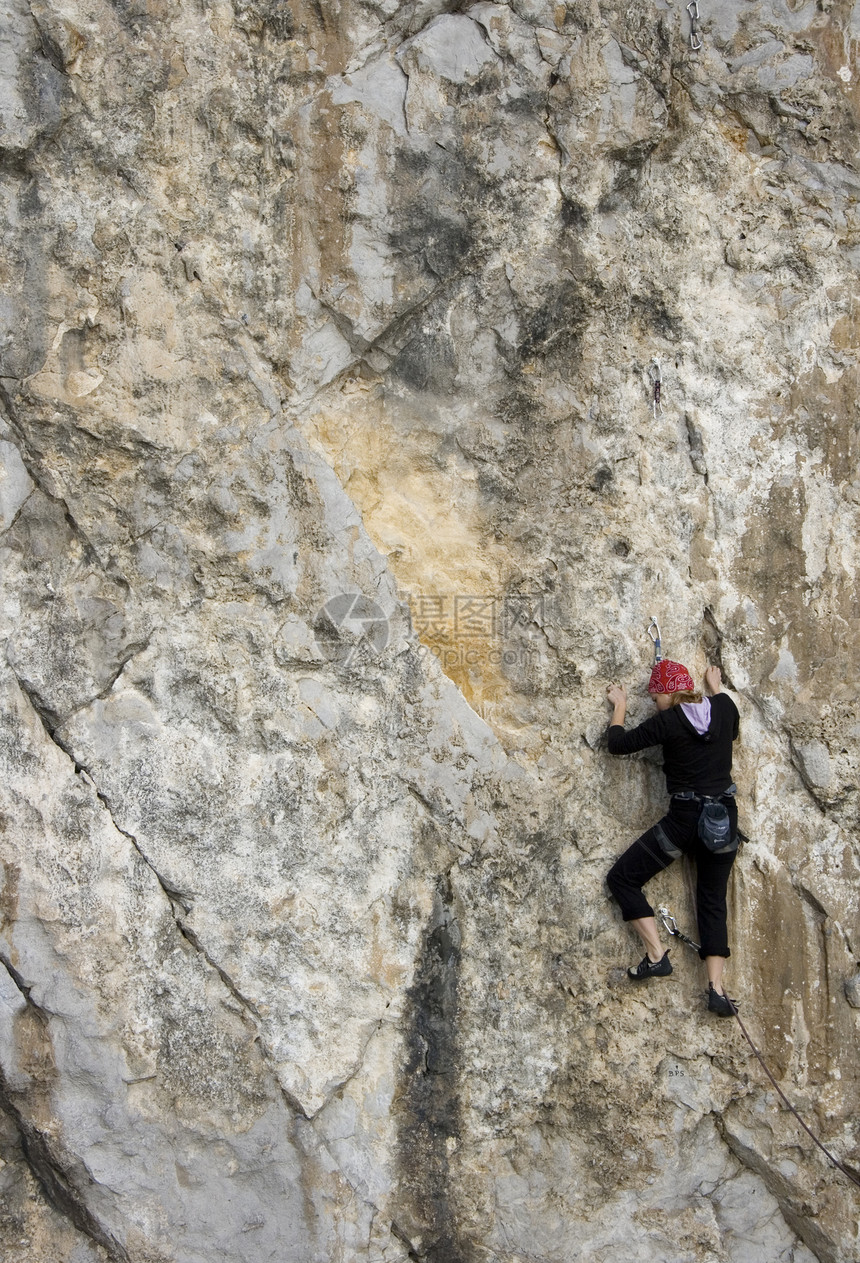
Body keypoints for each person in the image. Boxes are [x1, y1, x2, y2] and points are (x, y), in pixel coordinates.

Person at [605, 660, 740, 1016]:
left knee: (622, 878)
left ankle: (656, 955)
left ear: (668, 694)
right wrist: (716, 689)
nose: (653, 703)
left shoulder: (667, 721)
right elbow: (731, 731)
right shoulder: (724, 708)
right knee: (712, 901)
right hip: (722, 821)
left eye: (655, 697)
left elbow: (618, 744)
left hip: (683, 822)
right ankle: (716, 988)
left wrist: (620, 705)